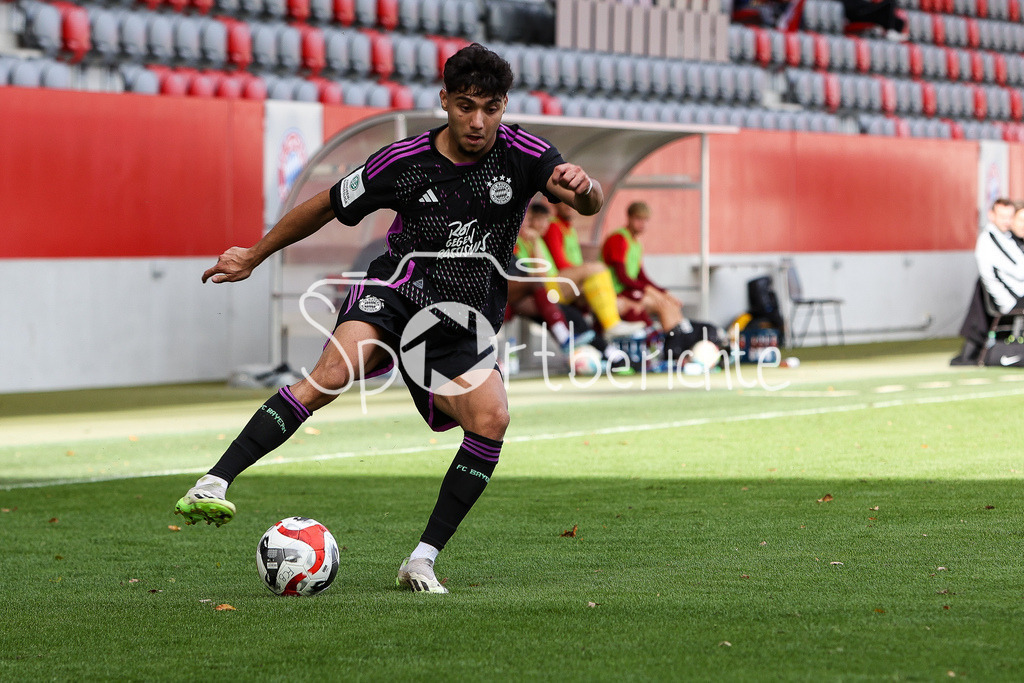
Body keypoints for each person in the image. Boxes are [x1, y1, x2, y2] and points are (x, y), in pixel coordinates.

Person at [174, 43, 604, 594]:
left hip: (462, 320)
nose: (478, 122)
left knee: (492, 418)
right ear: (444, 100)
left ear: (503, 106)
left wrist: (585, 188)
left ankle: (420, 560)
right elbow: (328, 203)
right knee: (330, 375)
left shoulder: (523, 151)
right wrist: (255, 254)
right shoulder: (400, 162)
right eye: (467, 105)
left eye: (491, 108)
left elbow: (583, 201)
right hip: (395, 294)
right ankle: (215, 480)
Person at [601, 201, 706, 358]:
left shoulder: (635, 243)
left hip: (629, 291)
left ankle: (682, 344)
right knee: (662, 304)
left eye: (645, 220)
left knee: (668, 302)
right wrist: (651, 291)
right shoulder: (618, 239)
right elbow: (623, 278)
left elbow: (641, 276)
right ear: (629, 217)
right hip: (616, 293)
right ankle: (673, 351)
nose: (642, 223)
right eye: (638, 219)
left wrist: (664, 292)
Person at [953, 197, 1024, 365]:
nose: (1007, 221)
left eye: (1009, 217)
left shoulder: (1007, 238)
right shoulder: (990, 239)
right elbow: (1021, 271)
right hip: (1012, 301)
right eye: (1002, 216)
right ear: (991, 216)